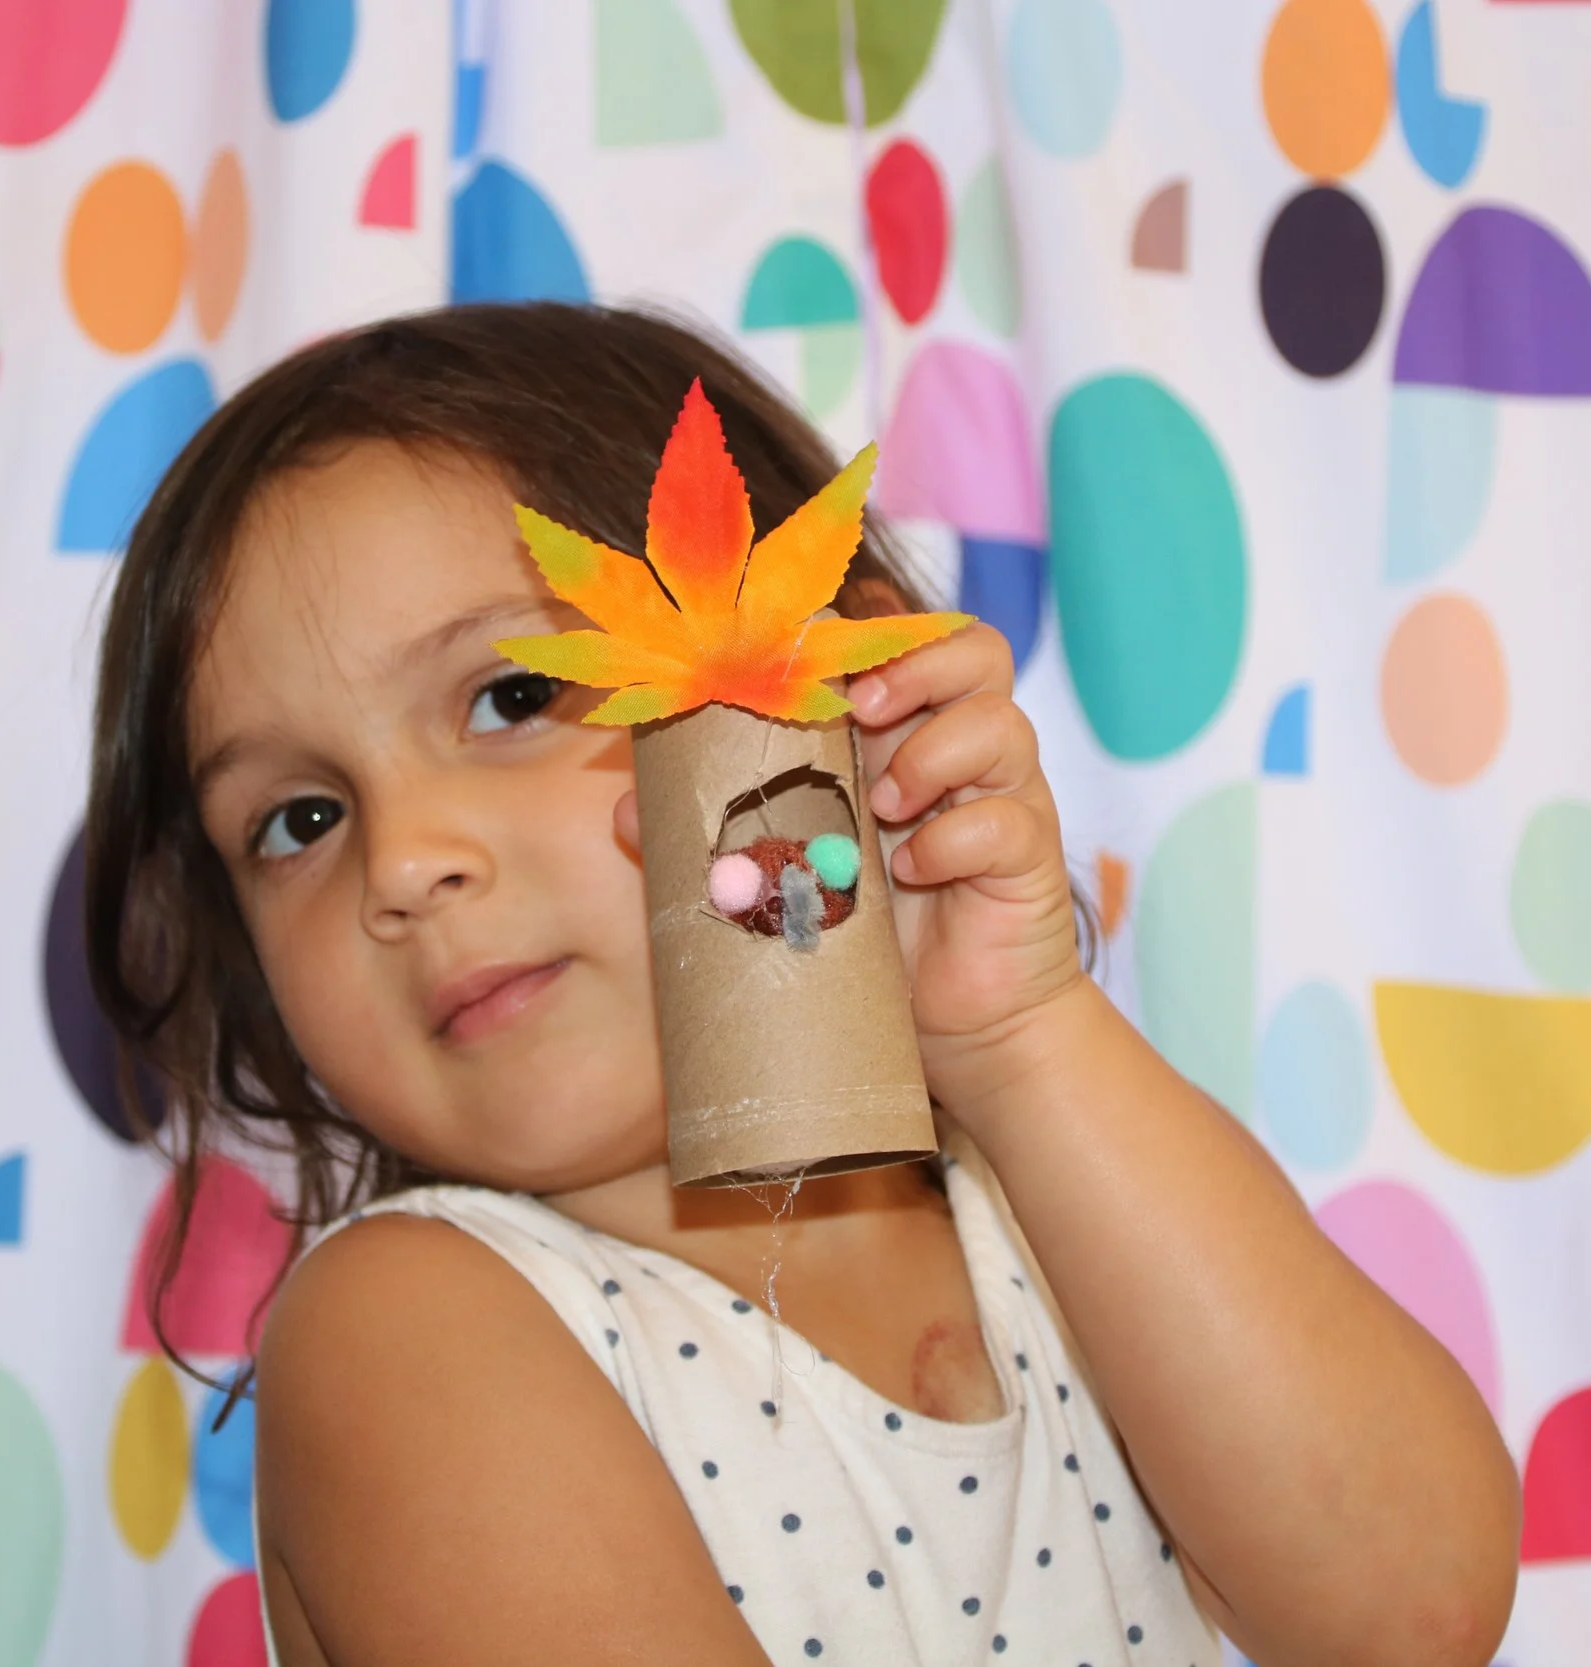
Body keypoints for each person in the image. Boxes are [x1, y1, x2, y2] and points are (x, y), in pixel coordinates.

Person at [85, 304, 1519, 1667]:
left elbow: (1410, 1614)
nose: (402, 862)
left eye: (514, 695)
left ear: (844, 688)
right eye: (300, 820)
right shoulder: (406, 1333)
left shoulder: (1068, 1210)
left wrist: (1022, 1036)